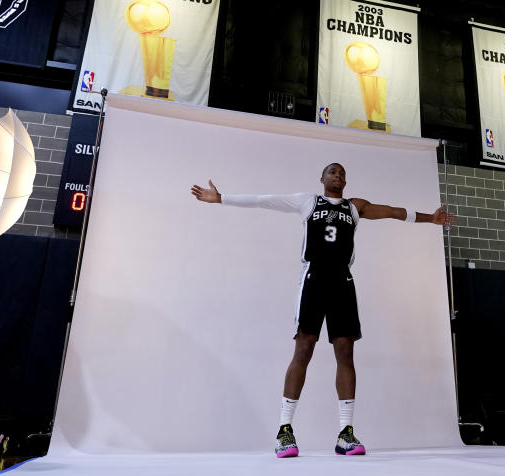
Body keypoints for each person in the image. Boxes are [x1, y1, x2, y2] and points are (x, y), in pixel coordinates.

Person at [191, 163, 454, 458]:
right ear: (322, 179)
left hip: (342, 281)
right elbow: (265, 199)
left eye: (342, 173)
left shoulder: (356, 207)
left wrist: (430, 218)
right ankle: (284, 431)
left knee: (345, 353)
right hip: (314, 279)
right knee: (303, 349)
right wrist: (222, 197)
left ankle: (346, 433)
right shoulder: (308, 201)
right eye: (332, 172)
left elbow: (394, 211)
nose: (338, 176)